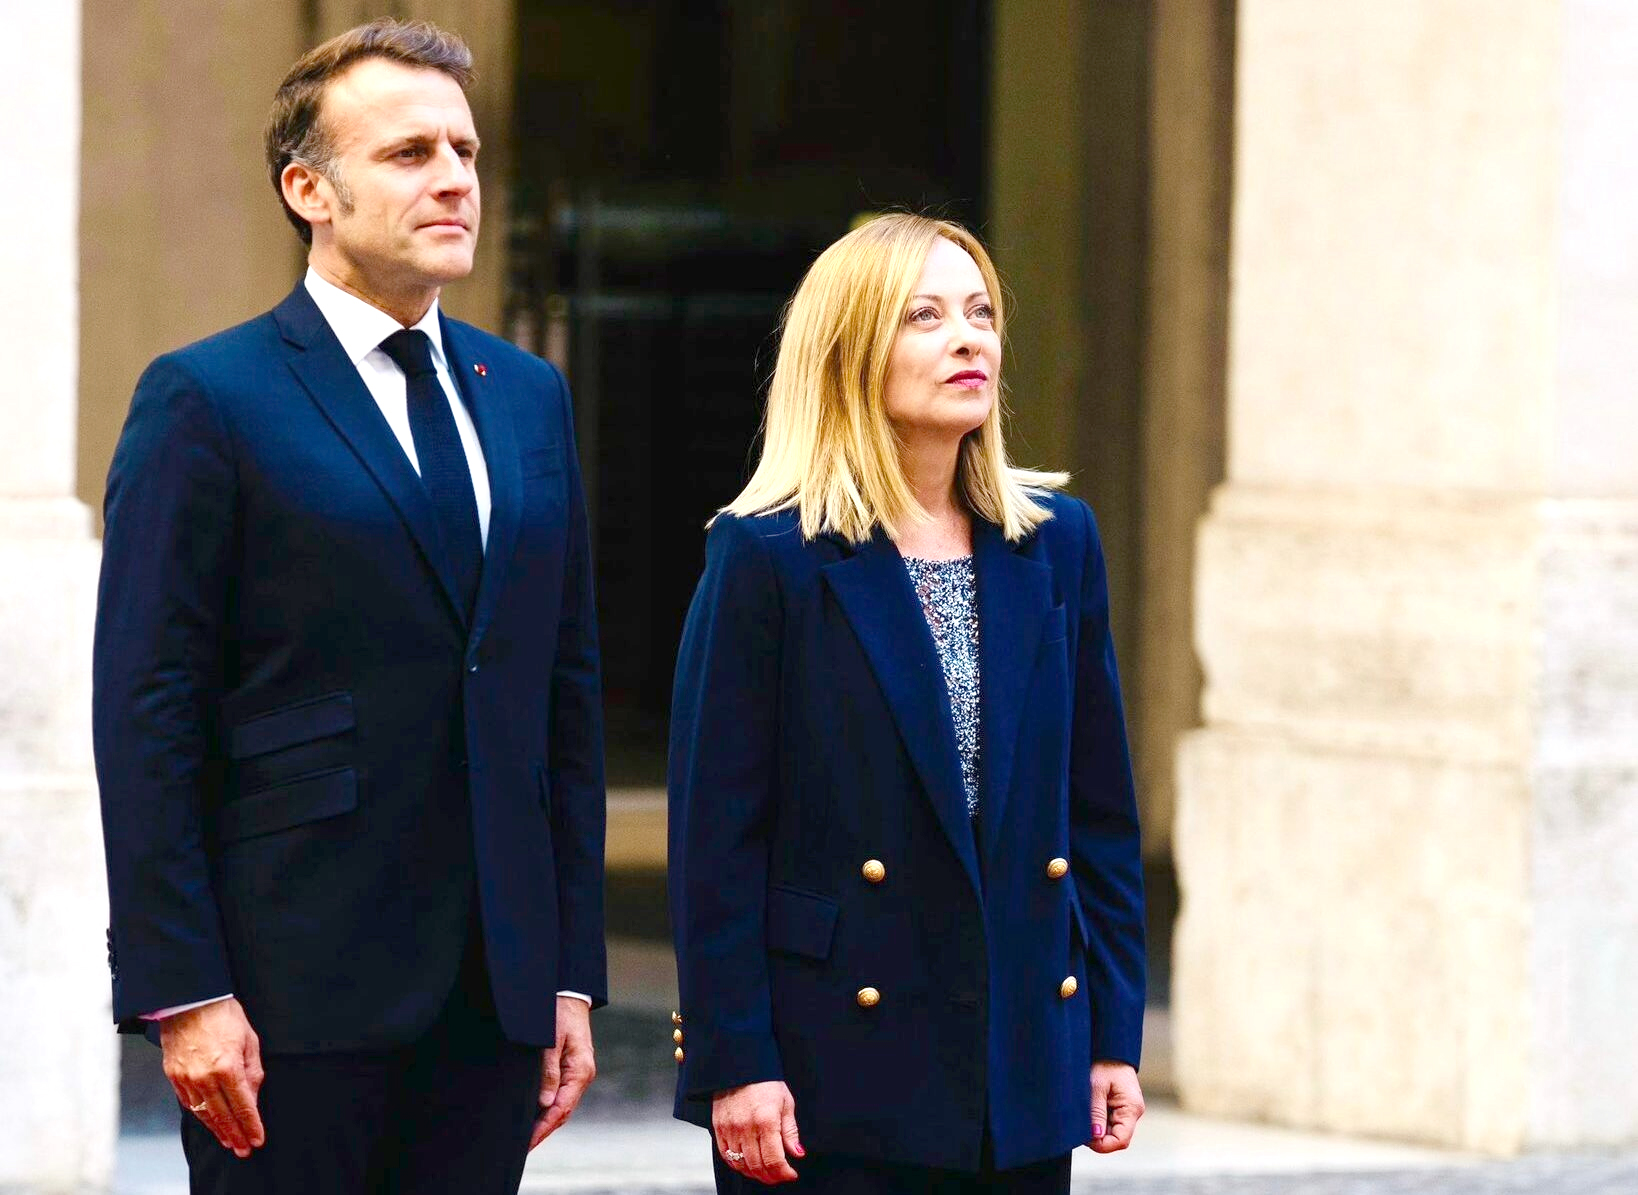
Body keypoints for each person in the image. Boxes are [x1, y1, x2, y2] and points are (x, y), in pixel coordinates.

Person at [93, 19, 605, 1192]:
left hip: (494, 992)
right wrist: (185, 989)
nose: (455, 180)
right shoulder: (207, 398)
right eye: (411, 153)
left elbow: (562, 698)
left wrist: (570, 971)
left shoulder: (528, 395)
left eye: (465, 152)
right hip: (289, 994)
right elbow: (147, 709)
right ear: (308, 190)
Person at [666, 214, 1147, 1193]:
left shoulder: (1056, 542)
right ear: (848, 353)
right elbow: (718, 838)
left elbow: (1098, 813)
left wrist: (1110, 1034)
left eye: (980, 313)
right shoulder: (768, 556)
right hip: (830, 1066)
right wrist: (736, 1058)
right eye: (924, 316)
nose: (968, 338)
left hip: (1018, 1060)